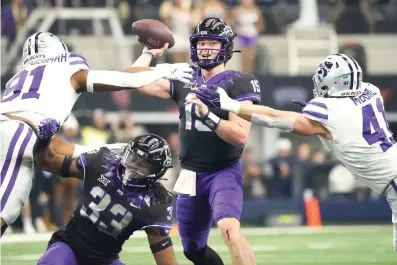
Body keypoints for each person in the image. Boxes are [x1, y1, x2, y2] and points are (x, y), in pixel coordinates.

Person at [192, 53, 397, 251]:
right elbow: (360, 105)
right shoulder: (371, 92)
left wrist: (230, 104)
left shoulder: (330, 110)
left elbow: (274, 117)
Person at [0, 31, 193, 235]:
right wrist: (164, 70)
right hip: (17, 135)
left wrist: (107, 149)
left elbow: (51, 144)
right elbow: (122, 80)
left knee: (6, 212)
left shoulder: (20, 79)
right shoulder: (67, 68)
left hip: (15, 133)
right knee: (4, 211)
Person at [133, 17, 260, 265]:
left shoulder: (240, 81)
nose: (205, 48)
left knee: (228, 229)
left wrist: (209, 116)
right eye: (202, 42)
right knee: (192, 248)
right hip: (190, 174)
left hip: (223, 171)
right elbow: (135, 81)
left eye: (212, 43)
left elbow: (240, 135)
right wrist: (149, 52)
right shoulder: (184, 76)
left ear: (225, 47)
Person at [34, 128, 178, 265]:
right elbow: (49, 162)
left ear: (157, 172)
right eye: (133, 158)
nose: (133, 165)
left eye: (143, 164)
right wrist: (43, 142)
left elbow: (166, 260)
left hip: (104, 260)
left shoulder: (154, 203)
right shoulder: (104, 162)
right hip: (69, 245)